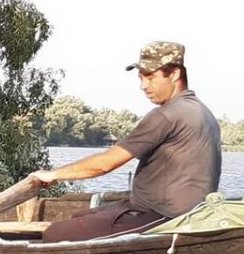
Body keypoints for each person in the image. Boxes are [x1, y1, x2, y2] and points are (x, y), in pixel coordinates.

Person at [35, 42, 221, 242]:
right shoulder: (204, 113)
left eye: (150, 77)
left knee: (55, 234)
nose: (143, 86)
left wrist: (54, 174)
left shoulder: (168, 115)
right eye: (141, 78)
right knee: (80, 217)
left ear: (175, 74)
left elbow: (105, 164)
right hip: (175, 211)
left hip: (165, 217)